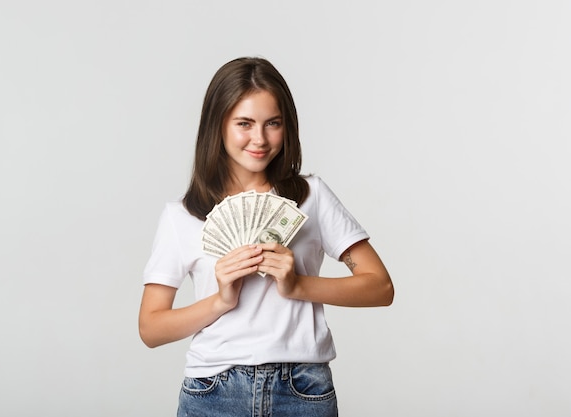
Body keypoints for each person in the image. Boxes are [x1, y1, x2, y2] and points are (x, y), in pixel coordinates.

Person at [139, 56, 394, 417]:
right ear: (219, 126)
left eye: (272, 123)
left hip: (303, 388)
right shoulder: (181, 215)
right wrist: (221, 300)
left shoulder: (311, 197)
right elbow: (151, 328)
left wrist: (296, 285)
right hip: (214, 390)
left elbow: (380, 287)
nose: (259, 139)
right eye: (244, 123)